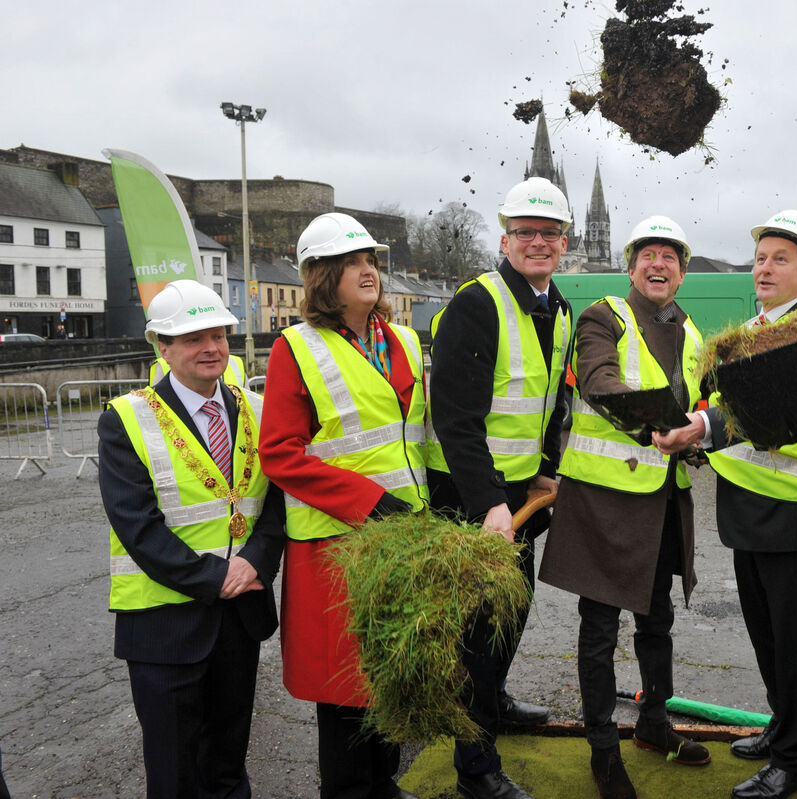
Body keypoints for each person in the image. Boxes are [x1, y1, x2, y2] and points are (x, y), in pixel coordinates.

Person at [659, 210, 797, 799]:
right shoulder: (746, 333)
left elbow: (782, 414)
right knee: (767, 635)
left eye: (781, 260)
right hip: (749, 509)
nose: (765, 269)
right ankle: (781, 724)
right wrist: (698, 426)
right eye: (761, 258)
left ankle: (796, 759)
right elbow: (721, 404)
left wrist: (701, 425)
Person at [540, 216, 710, 799]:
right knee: (600, 629)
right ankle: (603, 751)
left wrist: (702, 436)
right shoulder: (604, 315)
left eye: (671, 258)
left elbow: (706, 405)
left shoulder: (690, 332)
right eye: (649, 256)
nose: (659, 265)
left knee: (656, 619)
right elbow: (597, 380)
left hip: (664, 501)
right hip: (605, 502)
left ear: (682, 273)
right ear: (631, 265)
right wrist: (665, 423)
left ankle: (654, 726)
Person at [259, 212, 426, 799]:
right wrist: (369, 503)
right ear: (322, 277)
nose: (368, 271)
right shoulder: (295, 348)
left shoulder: (401, 340)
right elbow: (279, 453)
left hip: (403, 539)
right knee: (346, 691)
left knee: (388, 675)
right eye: (352, 262)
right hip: (336, 547)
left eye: (371, 260)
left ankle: (385, 786)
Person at [97, 279, 285, 799]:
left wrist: (256, 563)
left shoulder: (257, 408)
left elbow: (275, 504)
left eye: (219, 335)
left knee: (228, 766)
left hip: (240, 616)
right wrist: (217, 577)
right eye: (193, 338)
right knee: (176, 774)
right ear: (162, 346)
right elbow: (136, 525)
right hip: (164, 623)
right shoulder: (126, 419)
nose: (211, 348)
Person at [427, 177, 573, 799]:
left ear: (564, 242)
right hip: (471, 500)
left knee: (510, 616)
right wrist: (488, 502)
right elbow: (455, 418)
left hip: (519, 496)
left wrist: (544, 465)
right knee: (477, 636)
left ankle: (497, 705)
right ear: (506, 238)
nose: (538, 243)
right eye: (526, 233)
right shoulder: (475, 303)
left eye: (549, 234)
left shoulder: (557, 307)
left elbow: (548, 400)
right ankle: (476, 767)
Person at [149, 350, 247, 387]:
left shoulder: (236, 363)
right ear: (164, 350)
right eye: (194, 339)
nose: (211, 348)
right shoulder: (162, 366)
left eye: (218, 337)